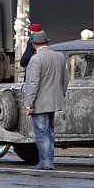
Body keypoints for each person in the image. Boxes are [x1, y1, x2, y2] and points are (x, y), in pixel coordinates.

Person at [25, 30, 68, 170]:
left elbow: (33, 83)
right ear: (47, 43)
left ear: (33, 44)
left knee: (41, 134)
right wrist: (61, 95)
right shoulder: (59, 56)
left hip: (40, 103)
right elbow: (65, 80)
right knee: (50, 132)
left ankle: (45, 162)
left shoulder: (36, 59)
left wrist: (29, 104)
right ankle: (49, 160)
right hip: (54, 101)